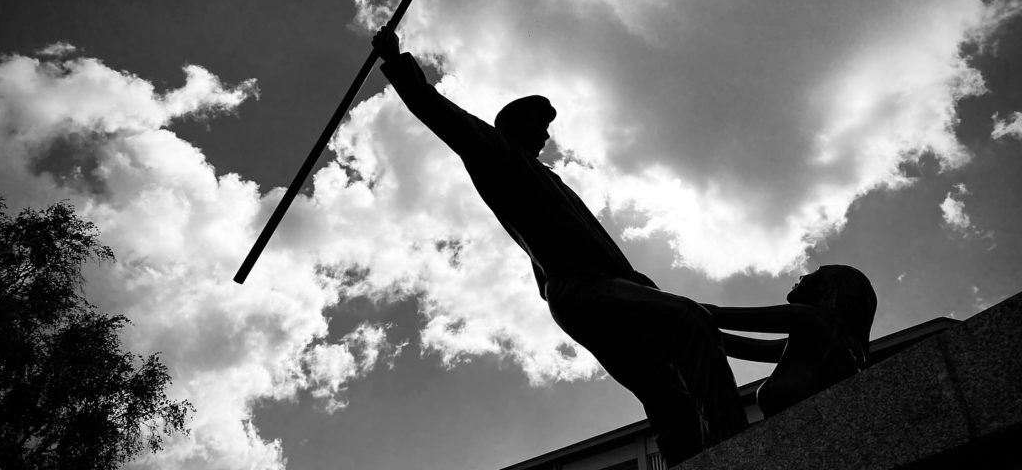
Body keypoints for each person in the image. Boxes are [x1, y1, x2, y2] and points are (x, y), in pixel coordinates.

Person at [372, 26, 747, 465]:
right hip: (580, 290)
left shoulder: (551, 180)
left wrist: (635, 282)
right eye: (540, 125)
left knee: (670, 396)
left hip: (605, 287)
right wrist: (396, 61)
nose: (547, 136)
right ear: (515, 125)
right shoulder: (497, 154)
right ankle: (740, 453)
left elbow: (591, 243)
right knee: (688, 320)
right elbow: (439, 112)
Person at [703, 265, 877, 418]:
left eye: (816, 272)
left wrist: (689, 309)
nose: (802, 276)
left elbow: (719, 316)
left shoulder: (808, 318)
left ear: (825, 286)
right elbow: (751, 348)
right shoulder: (819, 340)